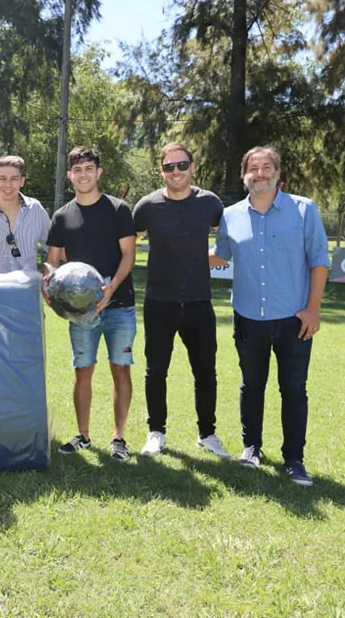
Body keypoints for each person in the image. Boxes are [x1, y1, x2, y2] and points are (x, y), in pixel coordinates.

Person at [211, 146, 329, 486]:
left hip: (295, 319)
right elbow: (220, 257)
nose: (259, 173)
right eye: (253, 168)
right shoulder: (231, 215)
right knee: (252, 386)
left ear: (278, 174)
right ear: (244, 175)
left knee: (294, 389)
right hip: (248, 318)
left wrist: (313, 308)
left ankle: (294, 459)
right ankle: (252, 448)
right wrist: (175, 251)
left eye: (266, 168)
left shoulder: (304, 210)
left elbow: (319, 260)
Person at [133, 143, 231, 459]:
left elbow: (230, 243)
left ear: (192, 166)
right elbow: (125, 244)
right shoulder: (146, 207)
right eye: (169, 167)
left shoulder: (210, 202)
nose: (176, 172)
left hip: (199, 302)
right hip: (158, 302)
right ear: (161, 170)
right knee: (155, 371)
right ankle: (156, 432)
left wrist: (199, 260)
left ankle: (207, 434)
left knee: (205, 372)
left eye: (181, 165)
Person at [45, 146, 137, 460]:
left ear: (98, 172)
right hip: (81, 314)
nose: (83, 175)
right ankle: (83, 435)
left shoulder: (118, 209)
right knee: (82, 371)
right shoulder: (62, 216)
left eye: (89, 169)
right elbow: (53, 262)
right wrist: (51, 287)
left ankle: (119, 438)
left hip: (119, 305)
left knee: (120, 370)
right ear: (70, 176)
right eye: (77, 170)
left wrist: (111, 287)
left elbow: (129, 255)